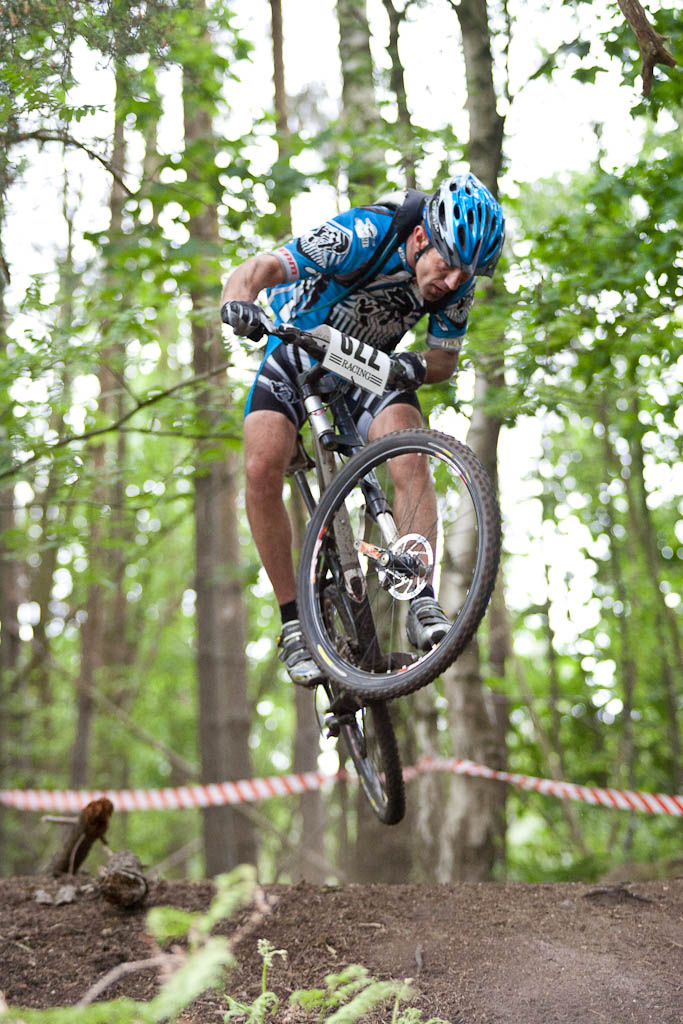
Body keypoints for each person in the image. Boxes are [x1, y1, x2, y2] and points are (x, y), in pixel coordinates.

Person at [220, 172, 505, 686]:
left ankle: (421, 600)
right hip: (297, 348)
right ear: (420, 238)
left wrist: (411, 369)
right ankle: (292, 625)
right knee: (262, 466)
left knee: (409, 450)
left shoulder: (456, 281)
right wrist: (237, 301)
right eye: (447, 266)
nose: (453, 283)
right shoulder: (363, 235)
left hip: (367, 365)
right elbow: (261, 267)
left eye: (467, 275)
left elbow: (442, 361)